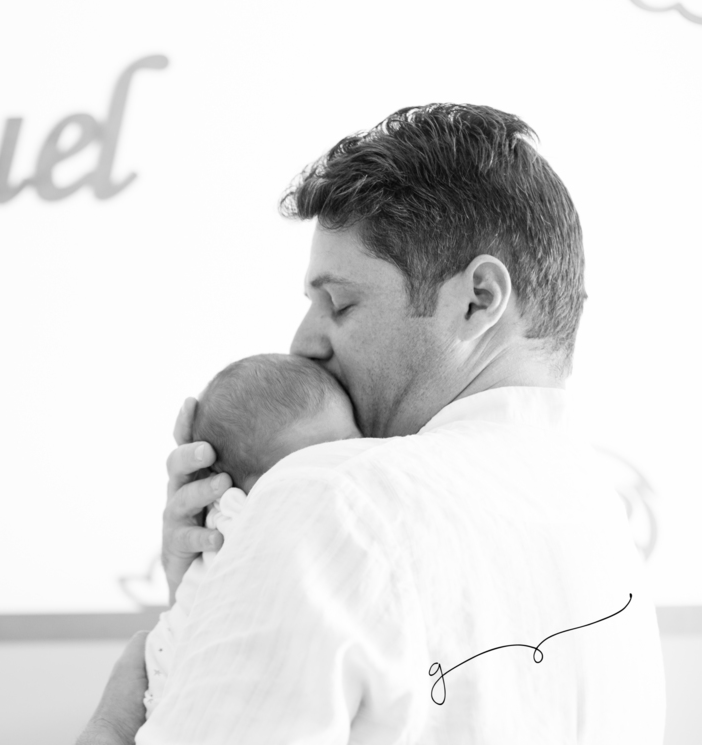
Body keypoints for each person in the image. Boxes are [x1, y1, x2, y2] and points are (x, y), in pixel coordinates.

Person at [78, 104, 665, 744]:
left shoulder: (329, 497)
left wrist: (114, 720)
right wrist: (215, 585)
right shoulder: (606, 537)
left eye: (339, 302)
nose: (303, 342)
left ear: (478, 300)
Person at [143, 353, 365, 715]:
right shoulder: (237, 516)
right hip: (177, 671)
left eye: (352, 445)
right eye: (310, 469)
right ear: (241, 490)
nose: (341, 471)